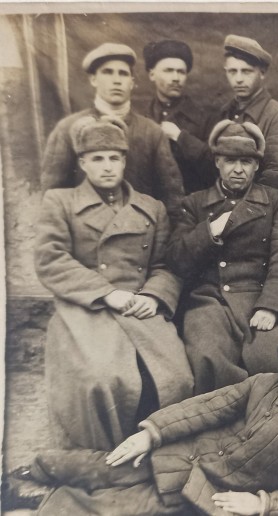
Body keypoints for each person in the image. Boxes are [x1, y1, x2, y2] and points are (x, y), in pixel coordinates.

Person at [18, 331, 278, 516]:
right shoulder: (264, 384)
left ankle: (40, 507)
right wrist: (153, 433)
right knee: (102, 465)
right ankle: (32, 471)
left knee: (114, 507)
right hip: (179, 454)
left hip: (201, 492)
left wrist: (263, 503)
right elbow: (207, 407)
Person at [34, 116, 193, 451]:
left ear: (124, 161)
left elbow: (165, 265)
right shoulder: (60, 202)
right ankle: (103, 456)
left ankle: (159, 452)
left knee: (175, 377)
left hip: (139, 306)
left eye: (114, 158)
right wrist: (106, 293)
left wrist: (154, 296)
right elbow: (51, 259)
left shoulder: (151, 208)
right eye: (97, 158)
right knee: (102, 378)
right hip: (85, 306)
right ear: (82, 163)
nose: (107, 166)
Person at [166, 120, 278, 393]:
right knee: (207, 356)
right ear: (217, 162)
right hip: (210, 299)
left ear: (256, 165)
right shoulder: (195, 203)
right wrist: (210, 231)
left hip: (261, 296)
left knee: (273, 358)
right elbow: (177, 258)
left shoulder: (276, 201)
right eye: (230, 161)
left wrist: (271, 306)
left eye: (246, 162)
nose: (238, 169)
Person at [40, 42, 184, 220]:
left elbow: (172, 197)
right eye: (108, 72)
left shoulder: (152, 132)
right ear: (93, 79)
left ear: (132, 83)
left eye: (123, 73)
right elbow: (52, 196)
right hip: (85, 231)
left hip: (139, 230)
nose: (116, 80)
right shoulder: (67, 129)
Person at [217, 34, 278, 193]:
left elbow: (277, 177)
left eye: (246, 71)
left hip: (260, 205)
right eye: (232, 71)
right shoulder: (225, 112)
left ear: (262, 73)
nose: (238, 79)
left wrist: (241, 206)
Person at [142, 39, 217, 193]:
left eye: (181, 72)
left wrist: (181, 137)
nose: (176, 78)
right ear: (152, 74)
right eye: (168, 70)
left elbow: (216, 168)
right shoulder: (142, 116)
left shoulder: (204, 118)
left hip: (192, 202)